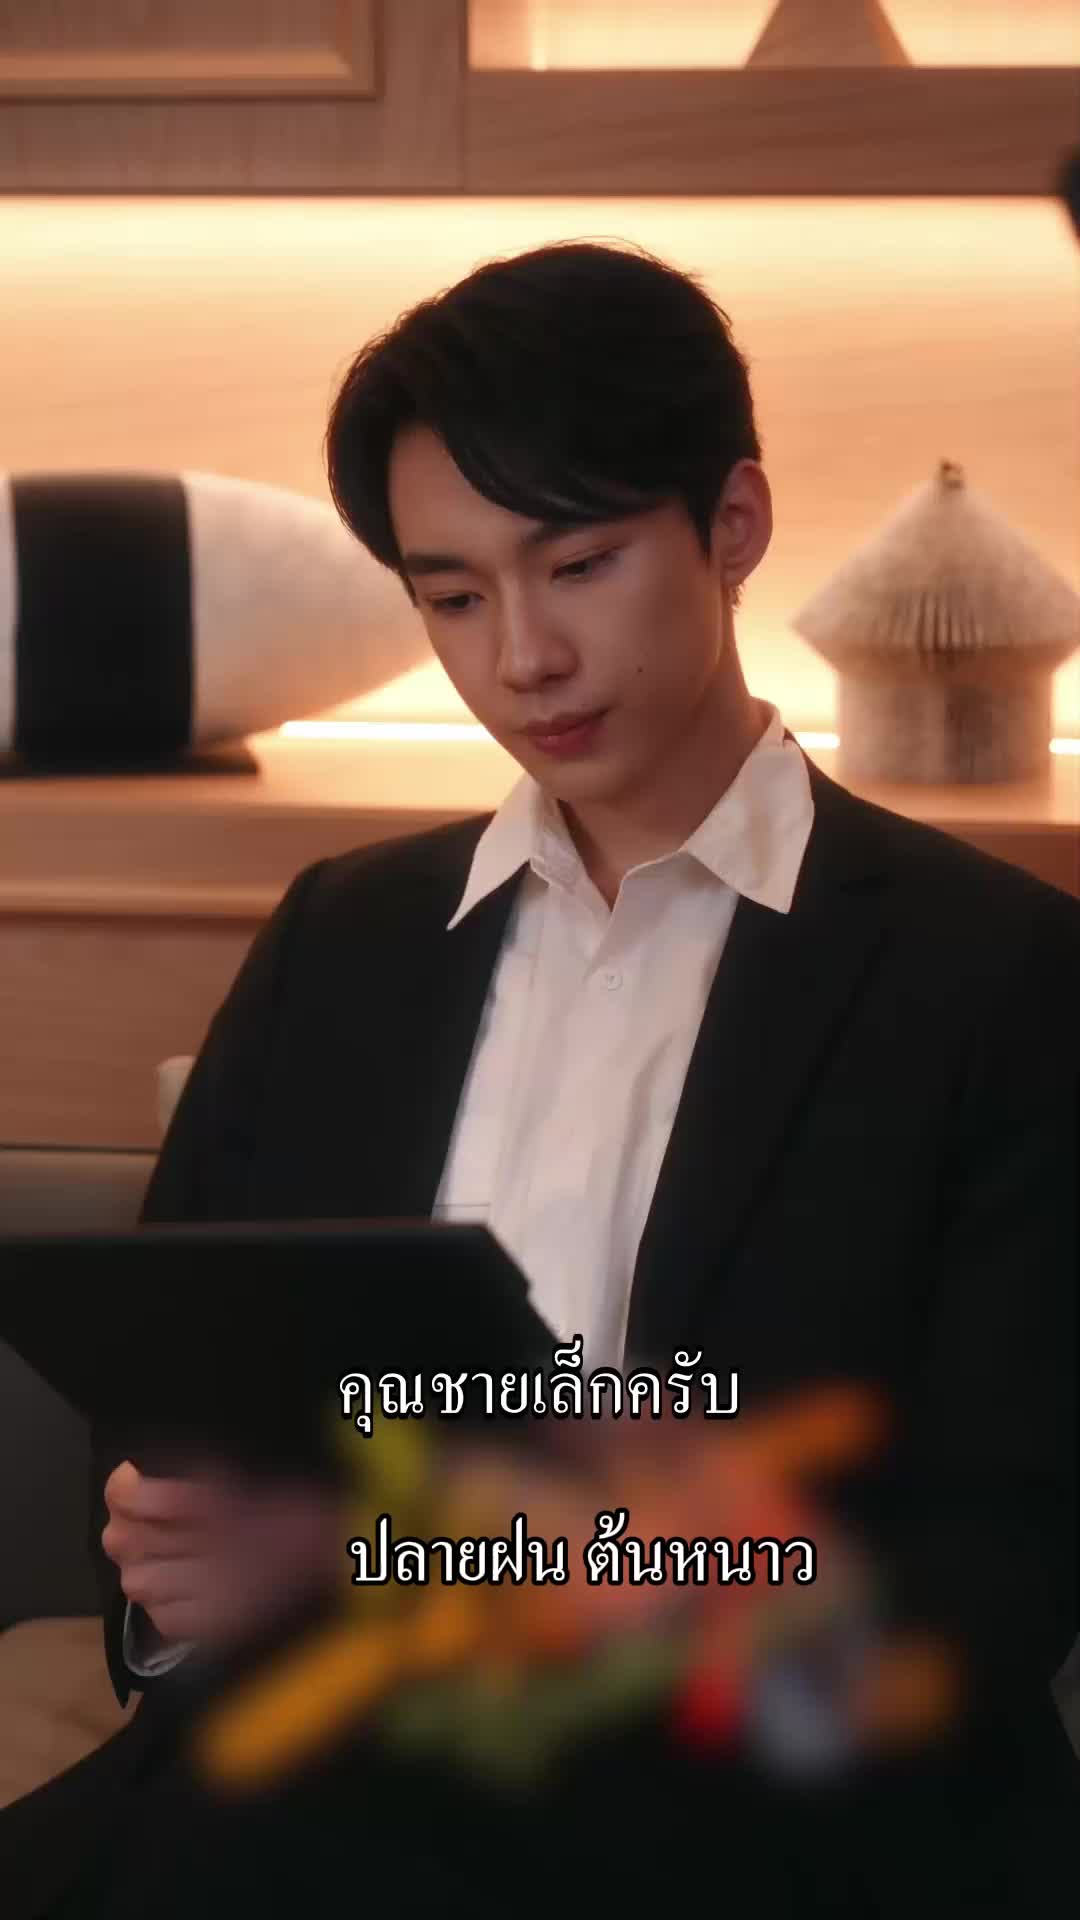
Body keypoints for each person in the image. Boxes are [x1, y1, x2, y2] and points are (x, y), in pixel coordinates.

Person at [4, 238, 1077, 1917]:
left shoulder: (996, 975)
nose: (522, 657)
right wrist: (174, 1561)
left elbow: (996, 1577)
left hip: (755, 1810)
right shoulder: (343, 938)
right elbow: (172, 1379)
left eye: (576, 566)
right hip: (315, 1764)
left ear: (734, 524)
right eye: (452, 597)